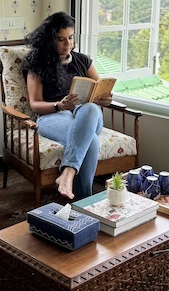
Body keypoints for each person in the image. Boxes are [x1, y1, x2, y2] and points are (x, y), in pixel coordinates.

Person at [23, 11, 113, 201]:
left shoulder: (83, 60)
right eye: (61, 39)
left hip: (88, 116)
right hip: (53, 116)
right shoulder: (38, 64)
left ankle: (68, 173)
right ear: (50, 40)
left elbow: (99, 88)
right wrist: (59, 105)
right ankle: (84, 202)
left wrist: (104, 98)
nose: (68, 44)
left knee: (90, 108)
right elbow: (35, 104)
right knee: (91, 141)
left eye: (70, 37)